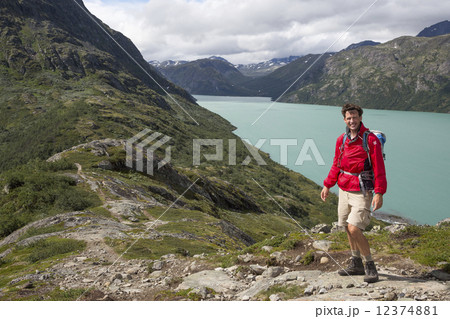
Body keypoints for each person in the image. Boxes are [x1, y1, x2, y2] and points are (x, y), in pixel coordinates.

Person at [320, 103, 387, 283]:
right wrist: (327, 185)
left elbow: (379, 168)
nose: (352, 121)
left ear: (360, 118)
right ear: (344, 119)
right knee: (346, 227)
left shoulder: (370, 140)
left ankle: (370, 265)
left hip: (362, 190)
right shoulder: (341, 140)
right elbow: (336, 164)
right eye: (348, 118)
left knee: (354, 227)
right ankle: (355, 261)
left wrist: (379, 192)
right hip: (344, 189)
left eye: (355, 117)